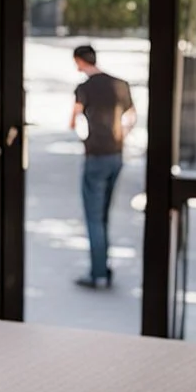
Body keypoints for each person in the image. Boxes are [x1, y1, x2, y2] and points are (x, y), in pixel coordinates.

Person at [69, 45, 136, 288]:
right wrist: (121, 136)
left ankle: (98, 272)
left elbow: (74, 119)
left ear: (79, 61)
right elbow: (131, 116)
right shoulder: (120, 85)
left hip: (95, 155)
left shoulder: (84, 88)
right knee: (104, 214)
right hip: (116, 154)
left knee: (94, 217)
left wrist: (87, 138)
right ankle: (103, 268)